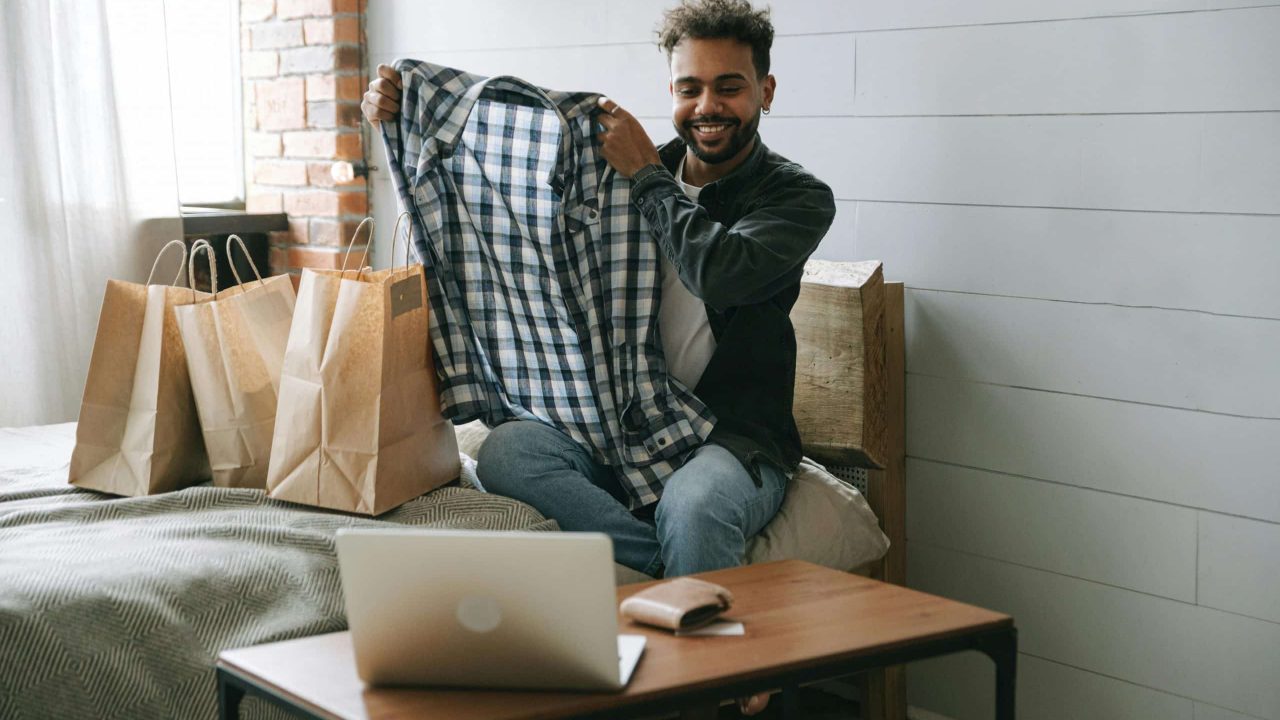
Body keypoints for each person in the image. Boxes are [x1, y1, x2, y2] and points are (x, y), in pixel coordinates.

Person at [364, 3, 833, 711]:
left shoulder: (796, 196)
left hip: (734, 434)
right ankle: (683, 582)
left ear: (766, 91)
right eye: (688, 88)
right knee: (507, 454)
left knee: (697, 505)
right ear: (671, 92)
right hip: (622, 419)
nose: (707, 106)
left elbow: (721, 271)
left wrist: (649, 177)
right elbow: (509, 186)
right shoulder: (616, 171)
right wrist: (405, 116)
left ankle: (699, 696)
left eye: (729, 87)